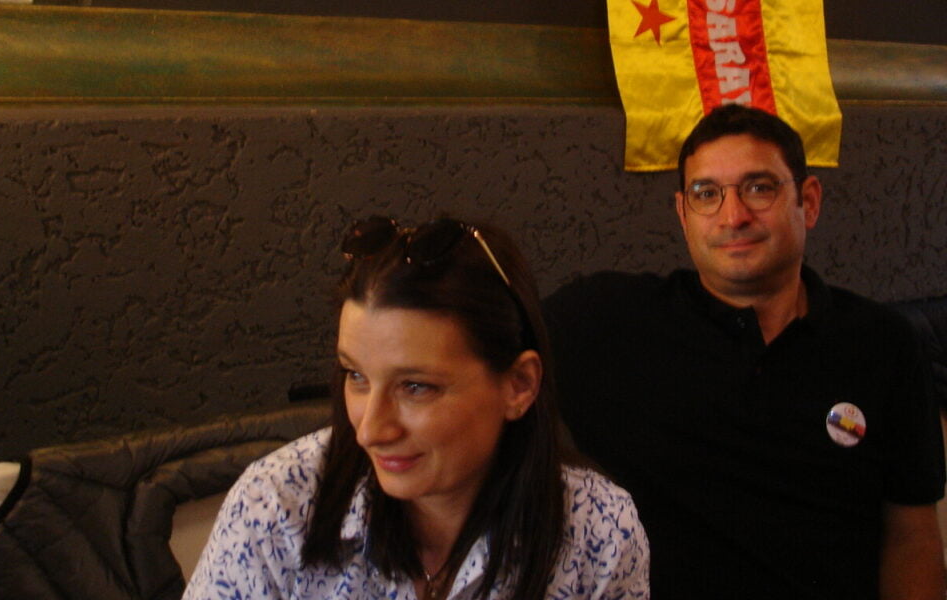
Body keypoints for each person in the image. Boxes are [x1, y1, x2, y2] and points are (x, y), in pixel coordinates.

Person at [544, 104, 946, 600]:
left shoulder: (881, 343)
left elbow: (911, 535)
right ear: (683, 215)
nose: (733, 217)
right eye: (706, 194)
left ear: (809, 201)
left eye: (759, 188)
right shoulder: (604, 323)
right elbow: (486, 357)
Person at [184, 215, 649, 600]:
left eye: (415, 387)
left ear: (519, 385)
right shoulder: (276, 505)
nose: (370, 431)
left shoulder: (598, 532)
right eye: (356, 376)